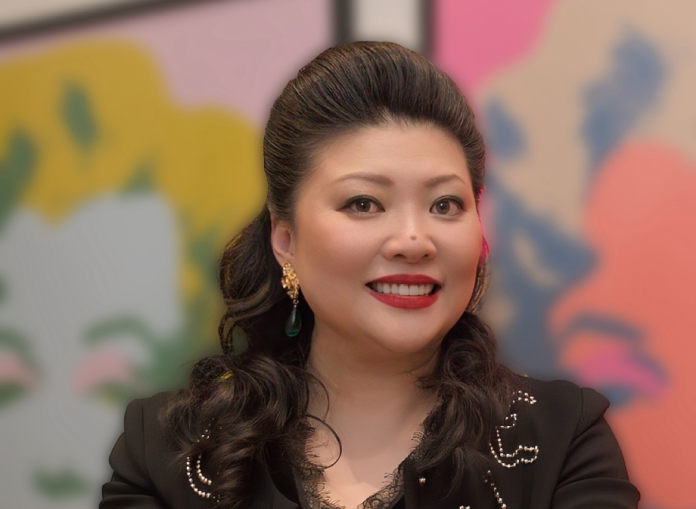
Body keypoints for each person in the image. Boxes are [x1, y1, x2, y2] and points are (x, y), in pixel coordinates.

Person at [100, 41, 640, 509]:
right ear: (285, 240)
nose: (414, 240)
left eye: (445, 205)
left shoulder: (561, 440)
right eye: (363, 203)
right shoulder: (169, 449)